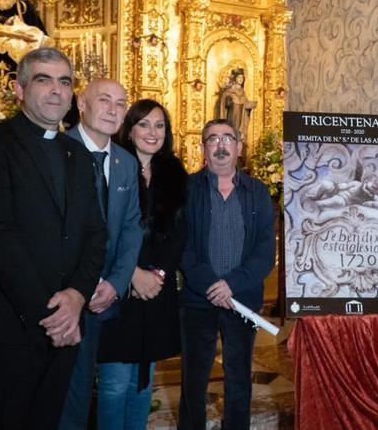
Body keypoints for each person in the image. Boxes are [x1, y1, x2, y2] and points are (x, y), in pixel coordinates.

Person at [0, 47, 107, 429]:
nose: (56, 91)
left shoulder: (76, 154)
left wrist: (77, 295)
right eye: (44, 80)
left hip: (67, 323)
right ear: (19, 89)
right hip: (15, 326)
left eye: (64, 81)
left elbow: (95, 233)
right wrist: (54, 313)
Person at [95, 99, 189, 429]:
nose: (152, 132)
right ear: (129, 130)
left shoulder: (175, 173)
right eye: (144, 124)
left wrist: (158, 274)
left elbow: (180, 233)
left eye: (160, 125)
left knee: (143, 382)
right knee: (115, 382)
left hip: (155, 290)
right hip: (118, 286)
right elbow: (101, 229)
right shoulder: (113, 164)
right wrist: (131, 274)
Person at [178, 119, 276, 430]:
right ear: (203, 148)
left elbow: (264, 250)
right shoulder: (188, 190)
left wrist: (231, 285)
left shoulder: (257, 192)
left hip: (242, 300)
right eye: (213, 139)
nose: (220, 145)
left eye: (227, 138)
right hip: (197, 300)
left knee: (238, 380)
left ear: (239, 147)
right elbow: (182, 246)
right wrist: (211, 285)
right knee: (193, 382)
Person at [58, 79, 143, 430]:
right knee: (64, 394)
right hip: (65, 297)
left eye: (121, 103)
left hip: (108, 297)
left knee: (90, 391)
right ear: (81, 104)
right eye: (104, 100)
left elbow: (132, 227)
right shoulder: (58, 151)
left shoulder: (125, 161)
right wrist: (84, 284)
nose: (113, 109)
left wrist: (117, 282)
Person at [217, 69, 256, 141]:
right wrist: (229, 101)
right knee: (232, 134)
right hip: (232, 117)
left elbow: (245, 104)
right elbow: (224, 104)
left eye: (242, 78)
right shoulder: (229, 90)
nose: (241, 79)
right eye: (239, 77)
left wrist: (251, 105)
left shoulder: (242, 91)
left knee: (238, 137)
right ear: (235, 78)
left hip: (241, 119)